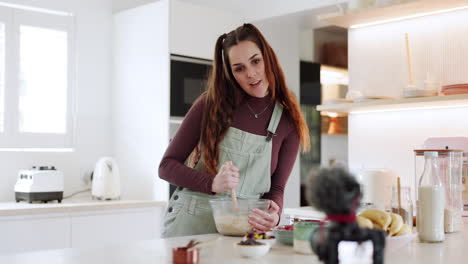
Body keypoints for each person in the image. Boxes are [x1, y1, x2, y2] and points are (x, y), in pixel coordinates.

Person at [158, 23, 310, 237]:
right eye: (239, 68)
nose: (251, 74)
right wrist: (212, 183)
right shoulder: (210, 105)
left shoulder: (287, 122)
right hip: (191, 228)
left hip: (243, 233)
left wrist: (274, 214)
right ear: (231, 73)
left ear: (268, 58)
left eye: (256, 61)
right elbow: (166, 166)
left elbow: (276, 190)